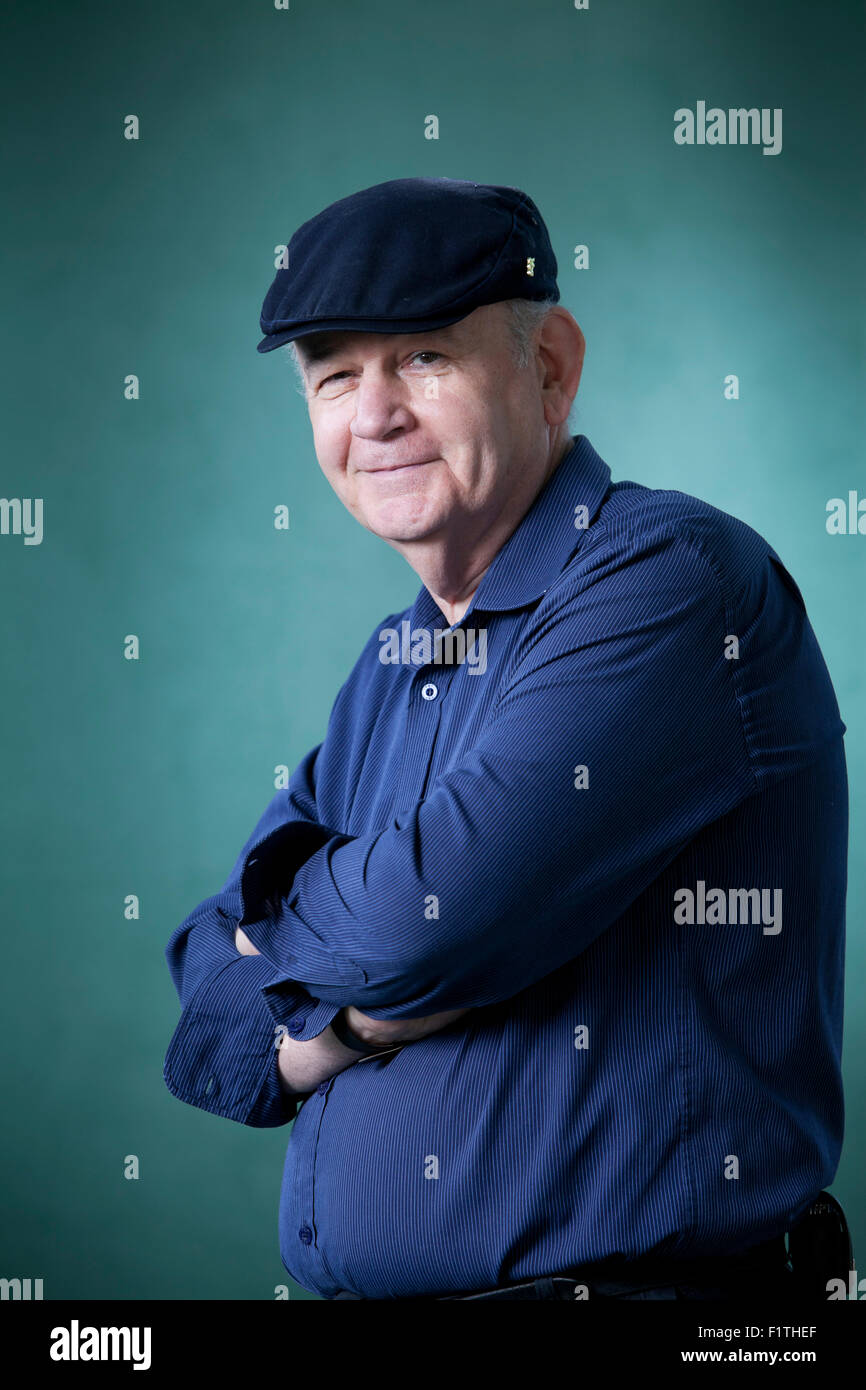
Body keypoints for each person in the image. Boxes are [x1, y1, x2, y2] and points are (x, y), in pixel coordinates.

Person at [163, 177, 847, 1301]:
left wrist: (319, 938)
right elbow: (201, 967)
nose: (372, 415)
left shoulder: (670, 583)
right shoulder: (399, 655)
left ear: (548, 368)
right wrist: (340, 1032)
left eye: (424, 358)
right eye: (335, 376)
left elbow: (421, 917)